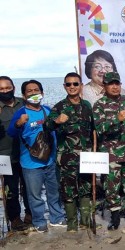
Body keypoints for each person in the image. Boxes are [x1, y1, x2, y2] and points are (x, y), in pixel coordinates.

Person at [7, 80, 66, 233]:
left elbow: (57, 129)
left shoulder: (47, 110)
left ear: (42, 93)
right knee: (35, 196)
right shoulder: (21, 112)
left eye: (36, 90)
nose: (34, 93)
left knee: (54, 192)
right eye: (30, 91)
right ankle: (39, 221)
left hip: (50, 160)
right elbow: (11, 133)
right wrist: (19, 124)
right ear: (24, 95)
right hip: (30, 163)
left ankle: (57, 218)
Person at [44, 72, 94, 232]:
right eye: (69, 84)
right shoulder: (59, 107)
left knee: (86, 188)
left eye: (75, 84)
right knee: (68, 190)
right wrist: (56, 121)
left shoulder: (87, 105)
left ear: (81, 86)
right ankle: (72, 223)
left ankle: (86, 221)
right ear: (64, 86)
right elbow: (47, 127)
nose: (72, 87)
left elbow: (93, 130)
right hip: (66, 158)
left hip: (86, 157)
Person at [93, 72, 125, 230]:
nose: (115, 87)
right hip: (111, 155)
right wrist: (116, 120)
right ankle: (114, 218)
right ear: (104, 86)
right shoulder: (99, 104)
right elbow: (99, 129)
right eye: (111, 84)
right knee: (111, 187)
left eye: (117, 83)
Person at [0, 76, 31, 231]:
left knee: (29, 186)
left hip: (27, 153)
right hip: (5, 156)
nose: (5, 91)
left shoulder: (24, 102)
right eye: (1, 89)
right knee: (11, 189)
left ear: (13, 87)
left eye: (8, 87)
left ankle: (30, 214)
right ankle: (15, 219)